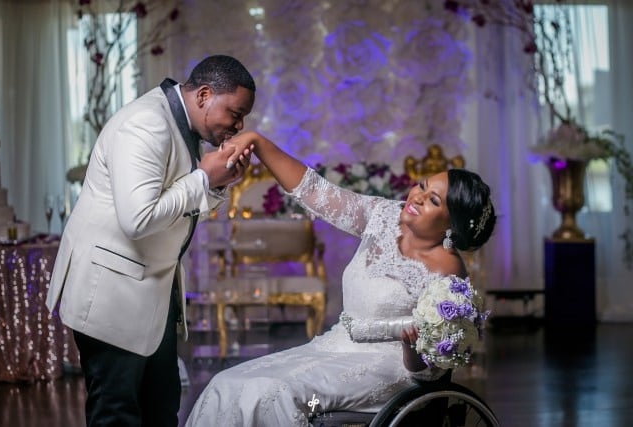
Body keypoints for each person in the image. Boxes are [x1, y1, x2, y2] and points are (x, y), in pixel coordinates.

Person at [184, 131, 497, 426]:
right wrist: (259, 143)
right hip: (334, 347)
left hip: (390, 371)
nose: (417, 196)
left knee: (278, 393)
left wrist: (412, 349)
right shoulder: (383, 215)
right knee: (227, 383)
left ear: (451, 226)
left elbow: (430, 372)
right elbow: (316, 192)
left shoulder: (448, 272)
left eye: (433, 200)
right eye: (422, 185)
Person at [45, 55, 259, 427]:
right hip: (112, 292)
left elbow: (177, 206)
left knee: (161, 407)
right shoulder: (146, 124)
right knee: (117, 413)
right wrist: (203, 179)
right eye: (236, 113)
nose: (238, 127)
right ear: (205, 95)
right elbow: (138, 219)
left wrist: (219, 182)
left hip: (150, 294)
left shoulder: (181, 124)